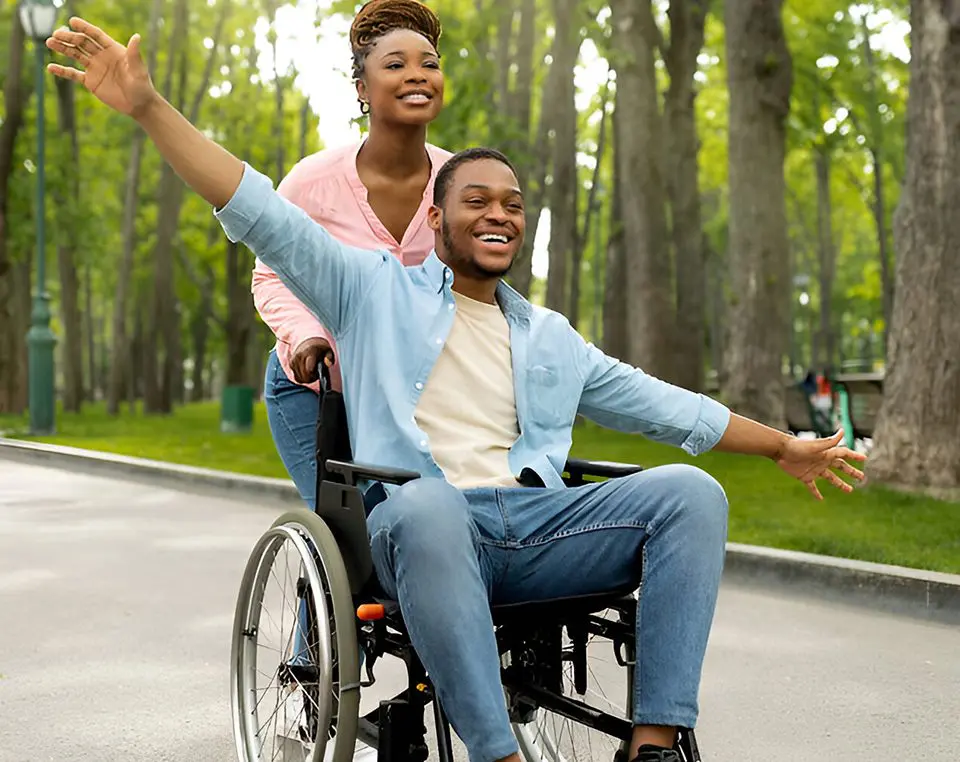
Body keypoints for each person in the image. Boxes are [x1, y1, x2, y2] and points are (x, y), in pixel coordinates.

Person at [46, 18, 867, 762]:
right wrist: (150, 107)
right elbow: (254, 207)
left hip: (533, 522)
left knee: (691, 492)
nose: (497, 213)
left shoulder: (550, 338)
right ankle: (496, 752)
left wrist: (785, 444)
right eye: (475, 200)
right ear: (433, 224)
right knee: (430, 504)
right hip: (427, 522)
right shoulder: (370, 294)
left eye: (512, 204)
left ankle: (651, 744)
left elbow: (668, 407)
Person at [252, 0, 451, 510]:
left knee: (429, 526)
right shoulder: (313, 181)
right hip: (318, 394)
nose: (418, 75)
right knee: (352, 534)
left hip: (415, 400)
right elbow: (271, 277)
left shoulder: (458, 183)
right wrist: (305, 335)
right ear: (362, 90)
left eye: (429, 63)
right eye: (396, 65)